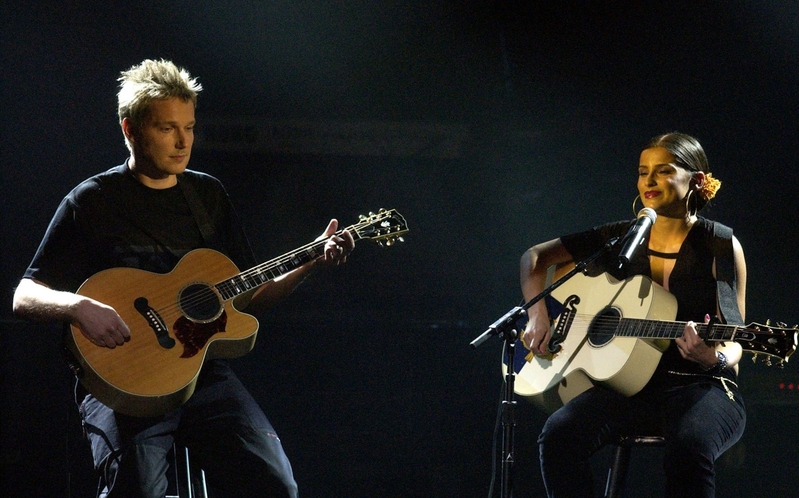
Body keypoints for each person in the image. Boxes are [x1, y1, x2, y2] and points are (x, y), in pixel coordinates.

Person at [12, 59, 355, 498]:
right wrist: (77, 307)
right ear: (130, 130)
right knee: (137, 489)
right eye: (166, 128)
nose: (182, 142)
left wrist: (311, 262)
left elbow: (248, 297)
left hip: (202, 373)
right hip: (124, 381)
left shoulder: (208, 196)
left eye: (189, 127)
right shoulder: (91, 200)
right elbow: (25, 294)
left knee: (275, 484)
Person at [520, 132, 747, 497]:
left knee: (689, 449)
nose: (649, 181)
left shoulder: (720, 244)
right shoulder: (623, 236)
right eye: (643, 172)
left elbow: (736, 337)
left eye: (663, 170)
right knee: (558, 436)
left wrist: (714, 357)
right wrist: (538, 316)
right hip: (628, 386)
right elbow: (533, 259)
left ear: (697, 181)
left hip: (701, 386)